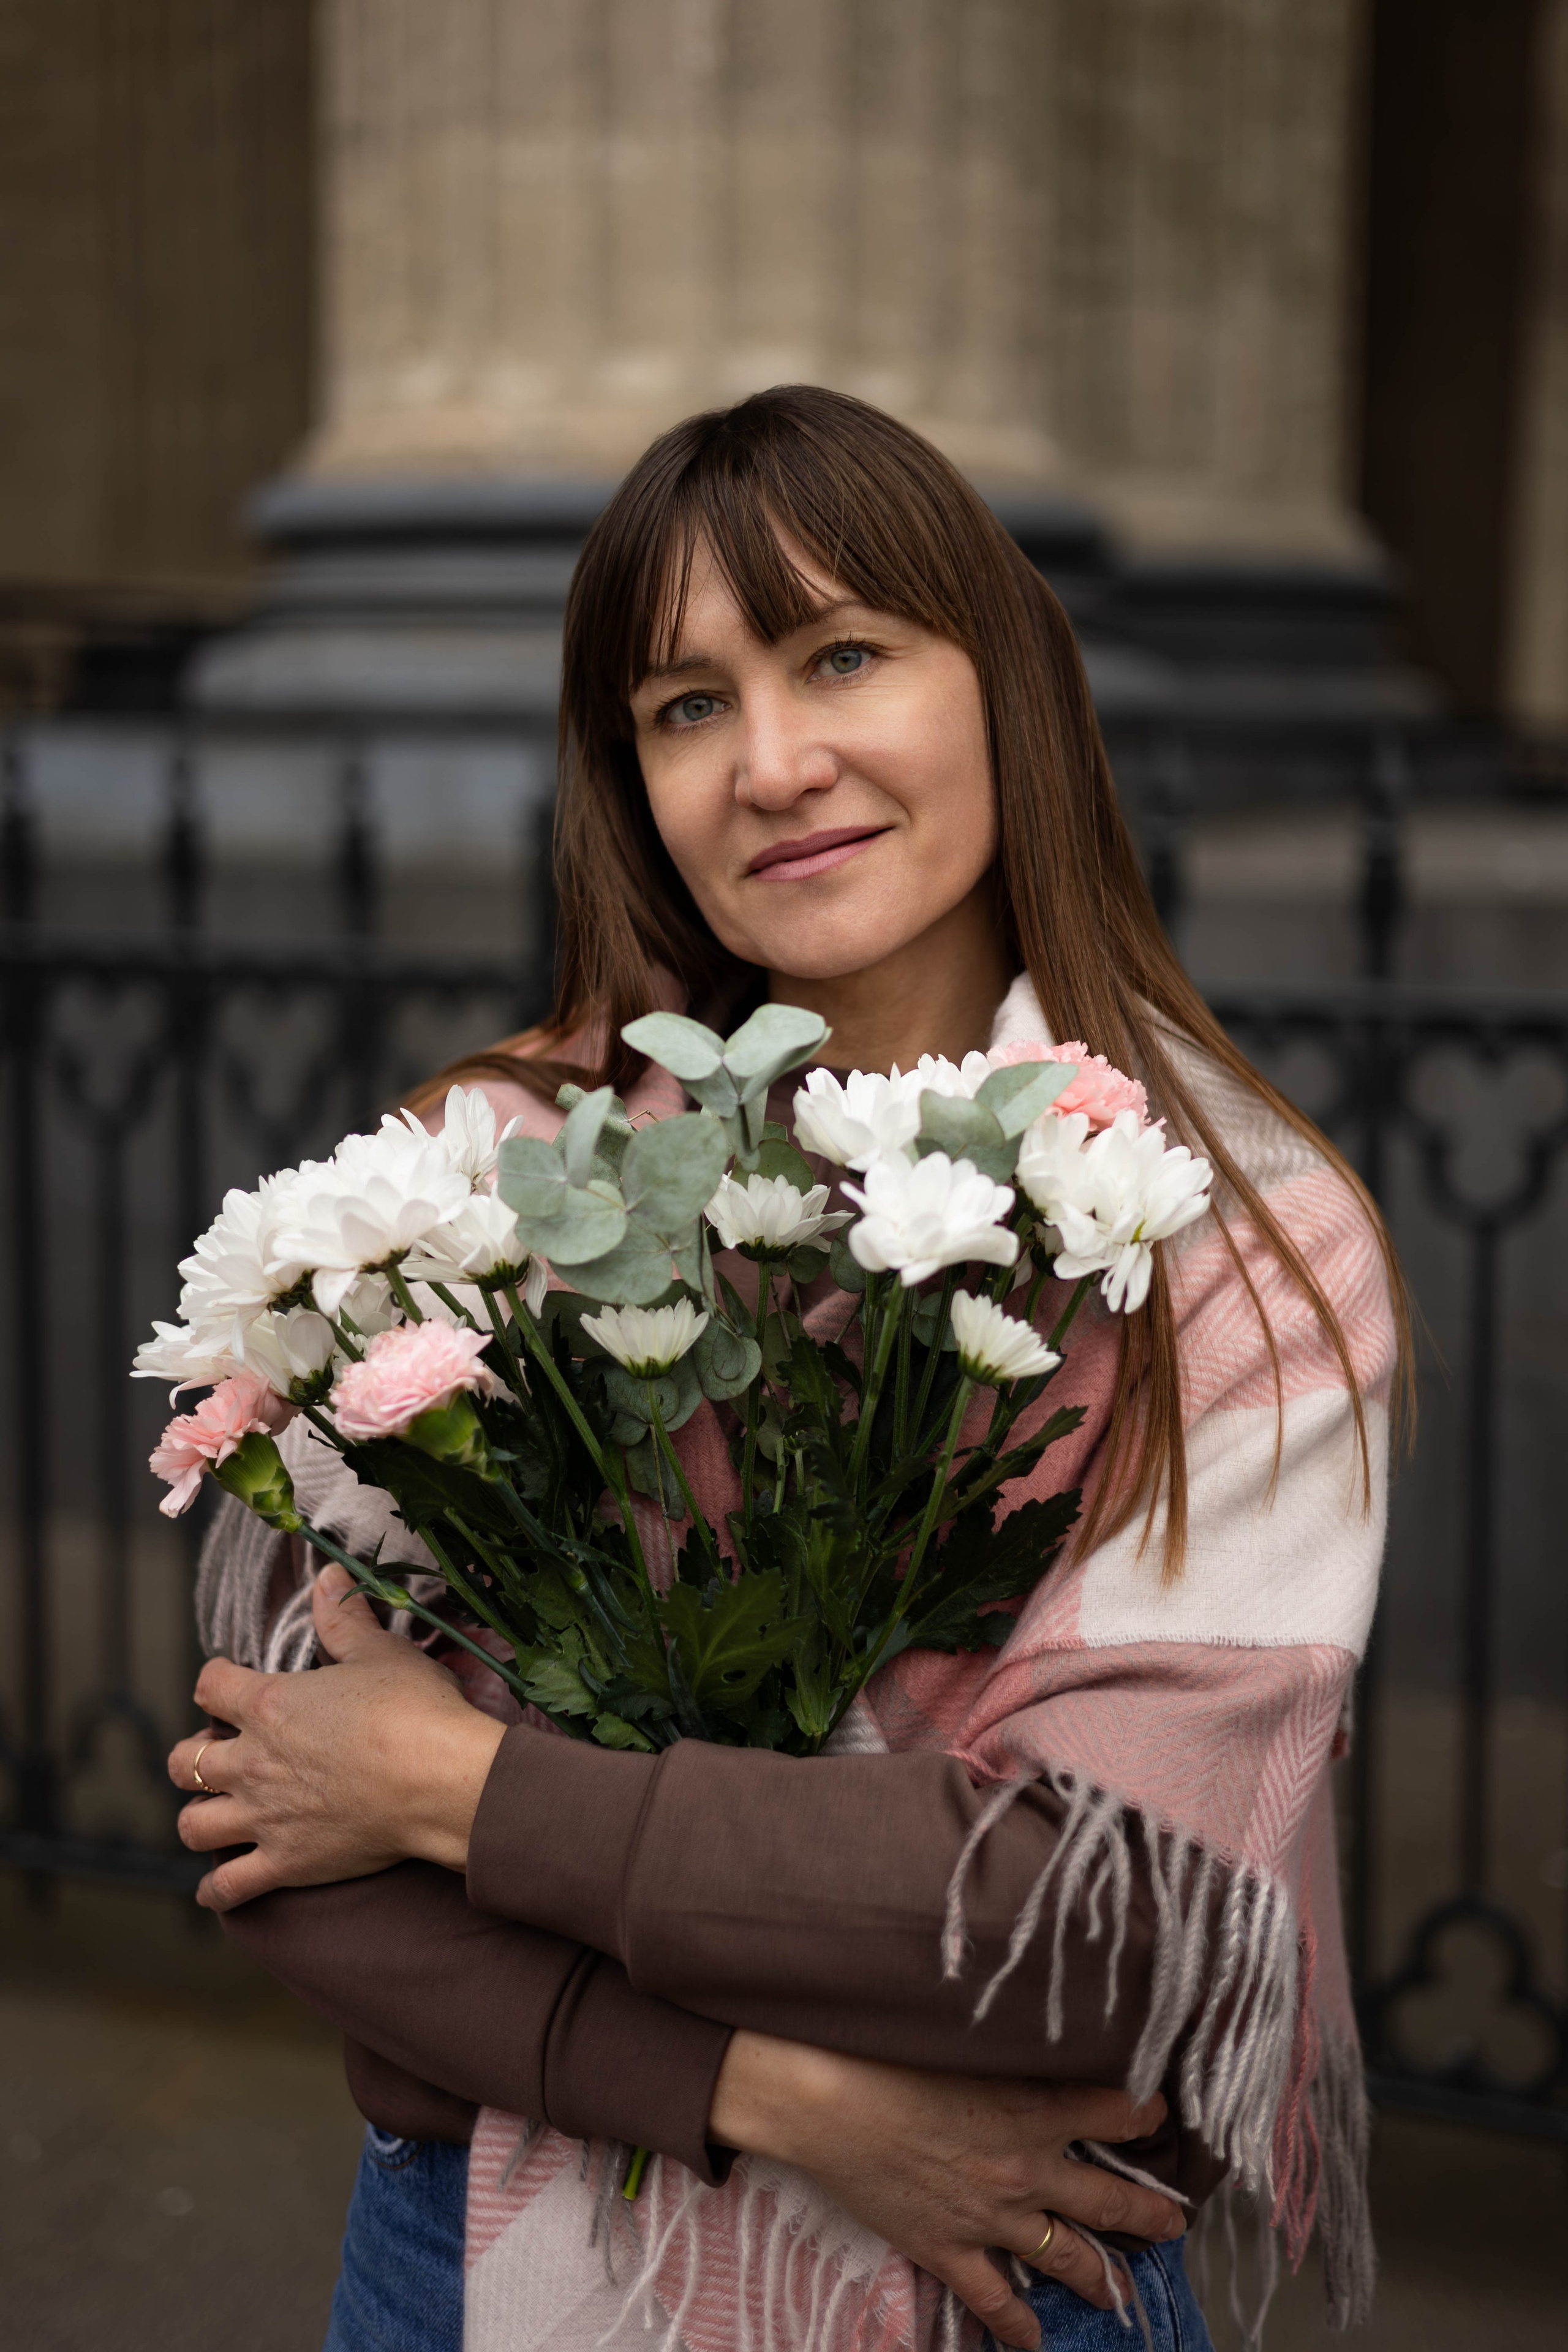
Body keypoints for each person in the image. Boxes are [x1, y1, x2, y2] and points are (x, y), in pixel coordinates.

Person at [167, 386, 1402, 2352]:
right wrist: (792, 2101)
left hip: (987, 2293)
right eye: (682, 703)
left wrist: (467, 1788)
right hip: (475, 2265)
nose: (773, 761)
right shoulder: (481, 1179)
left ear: (1002, 686)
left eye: (842, 655)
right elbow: (285, 1822)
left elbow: (1112, 1918)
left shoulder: (1234, 1247)